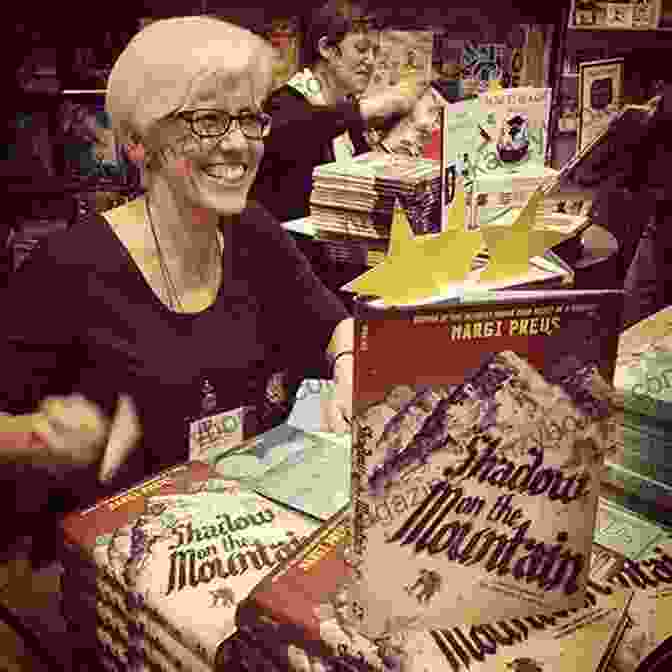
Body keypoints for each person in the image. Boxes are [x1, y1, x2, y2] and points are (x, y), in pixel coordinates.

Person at [0, 17, 354, 550]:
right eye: (208, 120)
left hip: (241, 536)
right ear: (139, 141)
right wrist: (33, 438)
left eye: (248, 117)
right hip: (117, 573)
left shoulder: (252, 231)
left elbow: (334, 325)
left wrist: (347, 365)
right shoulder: (66, 269)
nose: (238, 144)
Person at [251, 0, 420, 224]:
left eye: (374, 51)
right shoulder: (284, 104)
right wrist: (371, 108)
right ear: (326, 49)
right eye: (361, 49)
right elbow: (300, 128)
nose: (370, 61)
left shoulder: (347, 112)